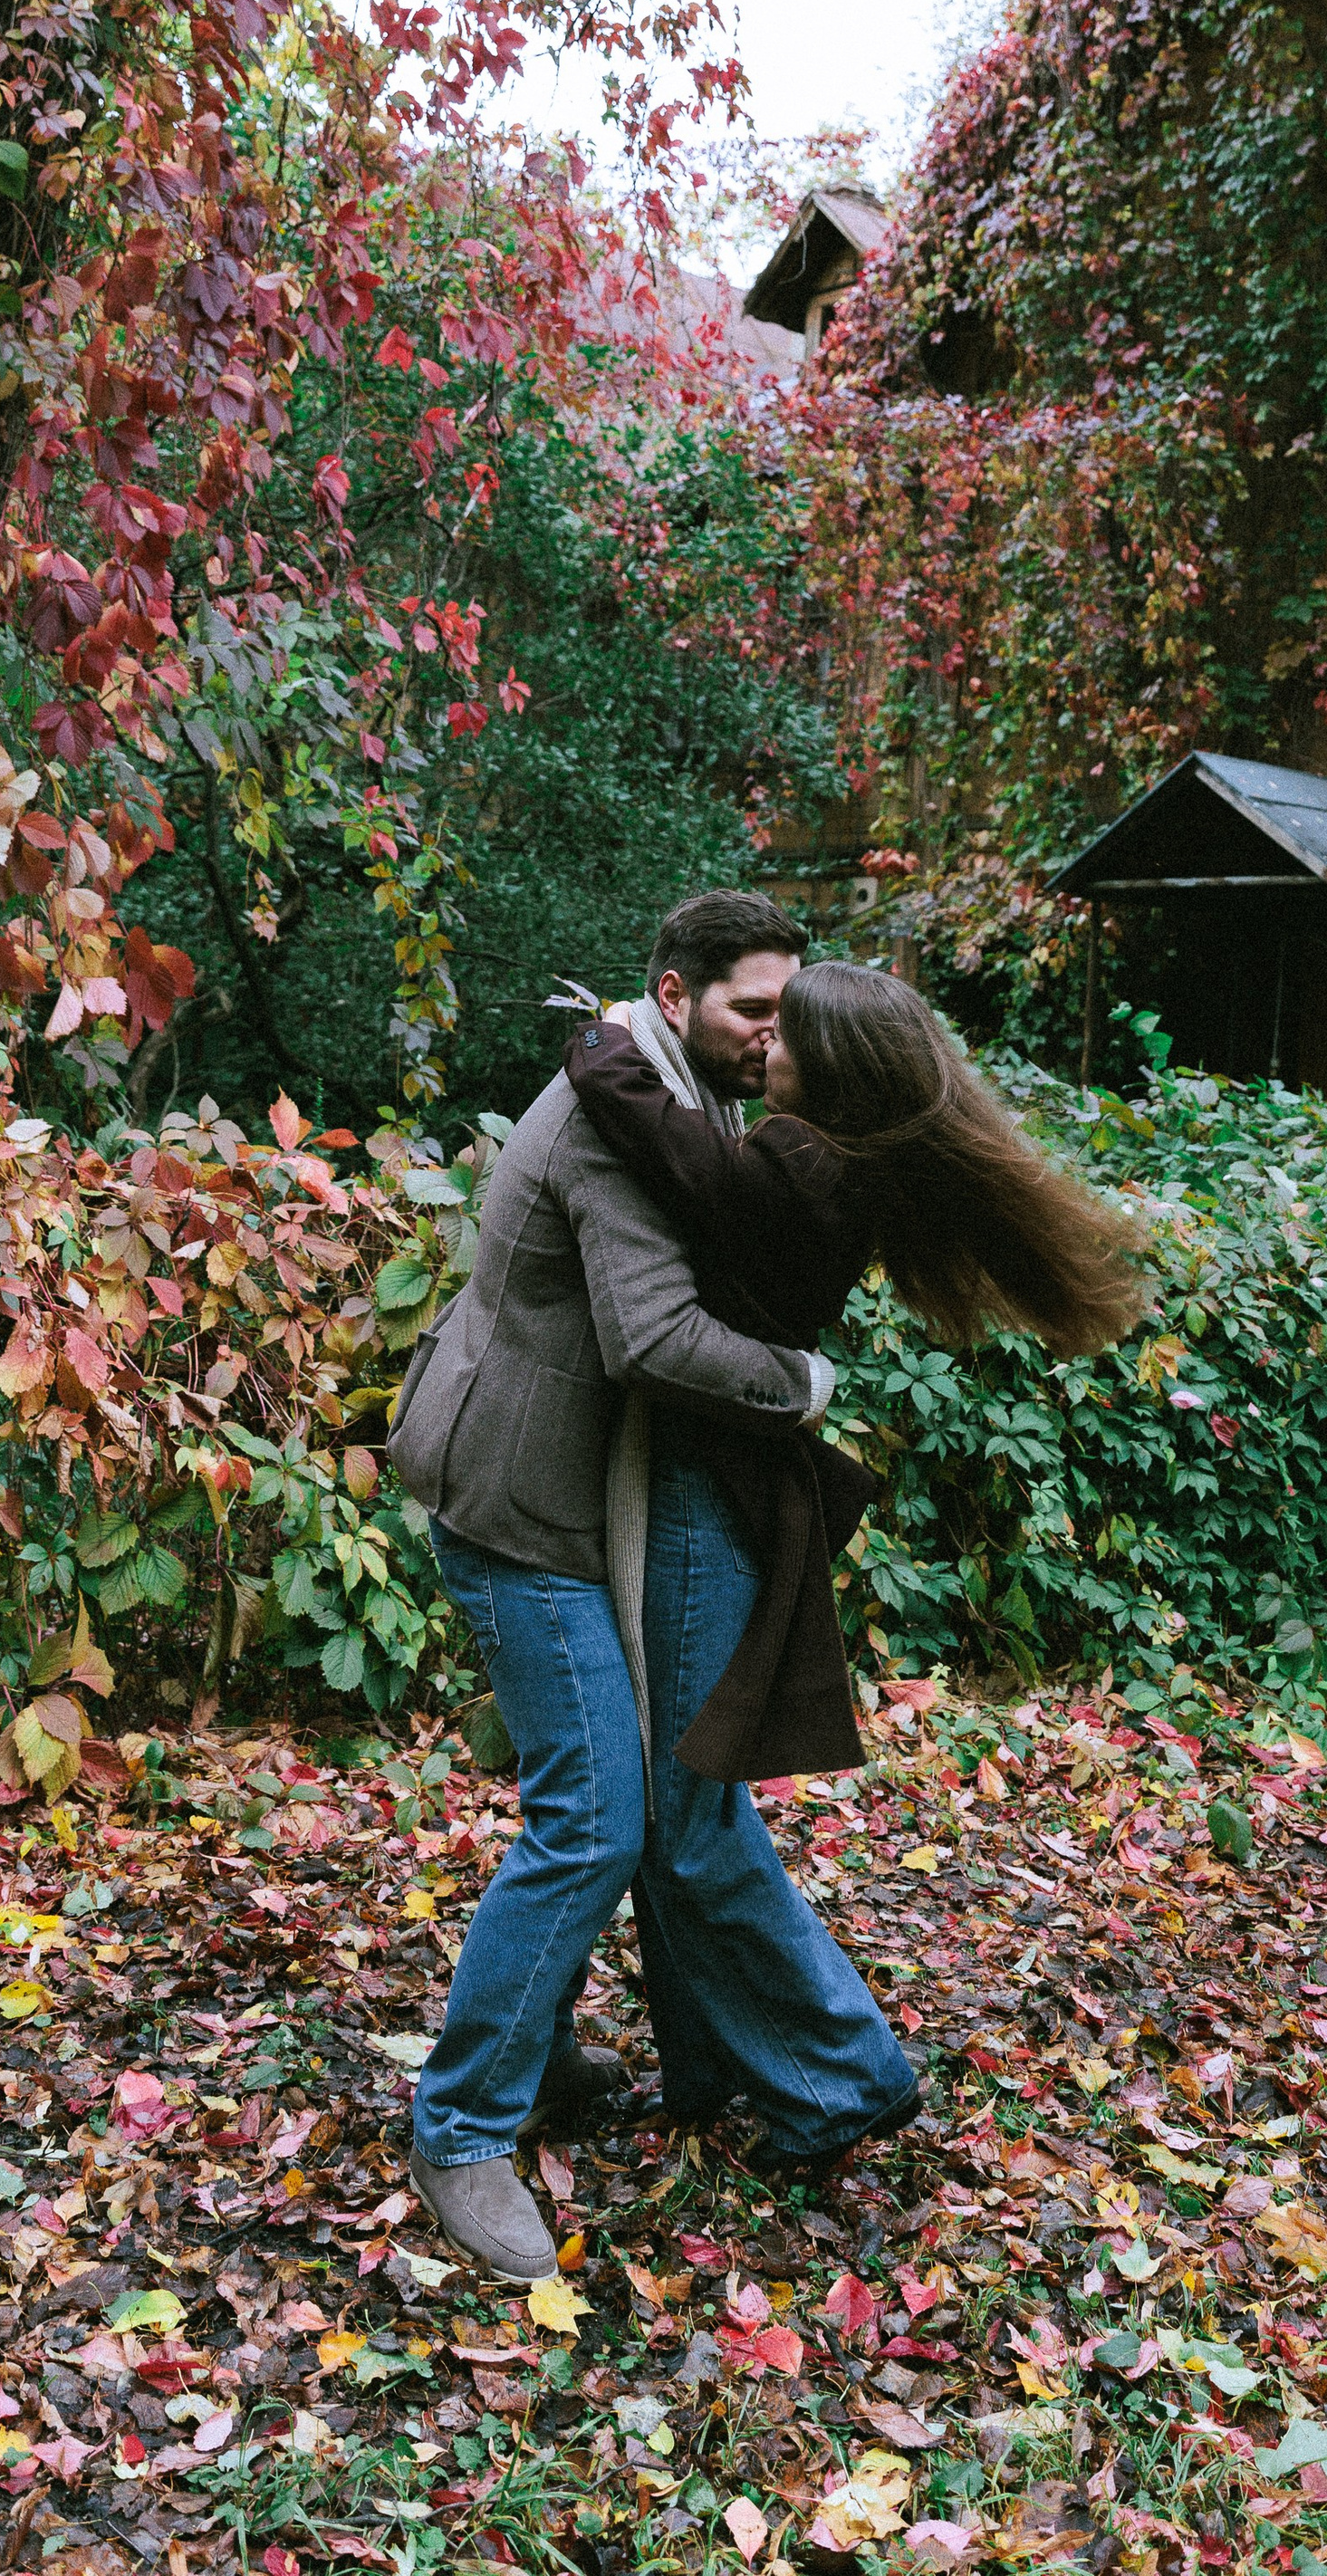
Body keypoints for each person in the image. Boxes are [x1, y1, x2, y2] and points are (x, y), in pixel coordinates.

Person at [389, 889, 915, 2284]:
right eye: (754, 1010)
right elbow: (657, 1337)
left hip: (574, 1495)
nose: (773, 1036)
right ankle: (460, 2130)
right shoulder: (610, 1127)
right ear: (673, 995)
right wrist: (802, 1385)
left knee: (612, 1806)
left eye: (788, 1014)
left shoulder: (682, 1086)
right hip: (521, 1509)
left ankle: (537, 2045)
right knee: (595, 1822)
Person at [563, 957, 1144, 1784]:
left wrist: (603, 1036)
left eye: (786, 1033)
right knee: (691, 1786)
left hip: (716, 1468)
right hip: (733, 1456)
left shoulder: (800, 1163)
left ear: (829, 1065)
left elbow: (665, 1137)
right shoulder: (841, 1162)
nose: (766, 1043)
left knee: (693, 1792)